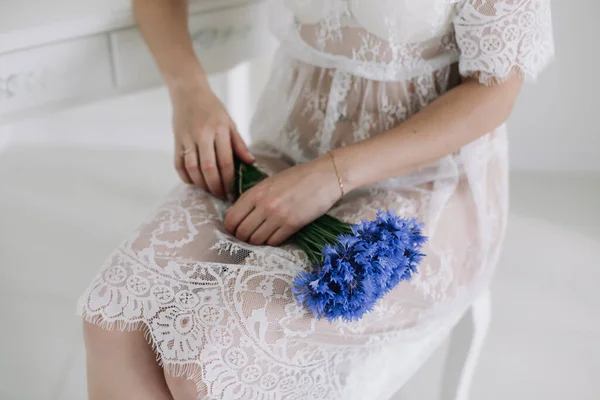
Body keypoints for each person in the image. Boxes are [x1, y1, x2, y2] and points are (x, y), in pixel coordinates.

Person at [79, 0, 554, 399]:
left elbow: (495, 92)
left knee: (205, 360)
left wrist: (333, 176)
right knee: (113, 320)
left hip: (423, 180)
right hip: (277, 152)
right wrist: (190, 91)